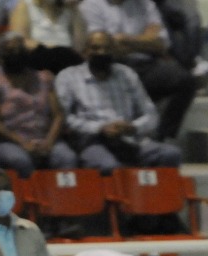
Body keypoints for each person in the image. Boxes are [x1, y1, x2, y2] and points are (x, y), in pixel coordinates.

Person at [55, 30, 183, 172]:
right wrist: (99, 128)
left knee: (171, 154)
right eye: (96, 48)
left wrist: (133, 127)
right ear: (85, 52)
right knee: (109, 167)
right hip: (92, 141)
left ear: (115, 52)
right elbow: (63, 117)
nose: (101, 53)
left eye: (107, 48)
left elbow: (150, 114)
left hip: (129, 139)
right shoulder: (69, 77)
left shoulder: (127, 74)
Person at [77, 0, 196, 140]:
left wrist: (125, 39)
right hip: (113, 65)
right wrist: (146, 40)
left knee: (185, 80)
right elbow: (102, 48)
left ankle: (162, 136)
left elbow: (162, 44)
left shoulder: (145, 4)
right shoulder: (91, 6)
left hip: (147, 64)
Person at [0, 32, 79, 176]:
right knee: (19, 160)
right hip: (7, 141)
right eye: (10, 51)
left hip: (43, 138)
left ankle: (65, 197)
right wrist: (23, 143)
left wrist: (49, 142)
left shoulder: (44, 78)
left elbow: (58, 115)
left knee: (67, 157)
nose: (16, 54)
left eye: (20, 50)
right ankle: (31, 197)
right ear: (1, 55)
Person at [9, 0, 88, 74]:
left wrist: (74, 9)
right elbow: (19, 41)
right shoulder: (26, 5)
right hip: (35, 66)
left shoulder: (70, 10)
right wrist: (53, 49)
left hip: (65, 66)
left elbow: (79, 47)